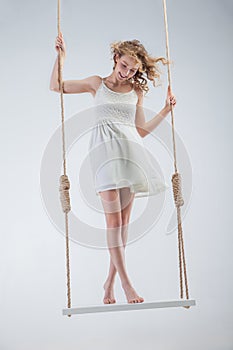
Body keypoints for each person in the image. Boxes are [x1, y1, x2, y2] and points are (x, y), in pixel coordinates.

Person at [50, 32, 176, 304]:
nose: (127, 73)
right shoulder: (97, 84)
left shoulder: (137, 91)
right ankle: (127, 284)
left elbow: (140, 130)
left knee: (124, 223)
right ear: (116, 58)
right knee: (113, 222)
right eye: (123, 66)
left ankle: (109, 282)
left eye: (132, 70)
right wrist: (61, 58)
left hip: (131, 153)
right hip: (104, 154)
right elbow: (56, 86)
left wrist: (165, 110)